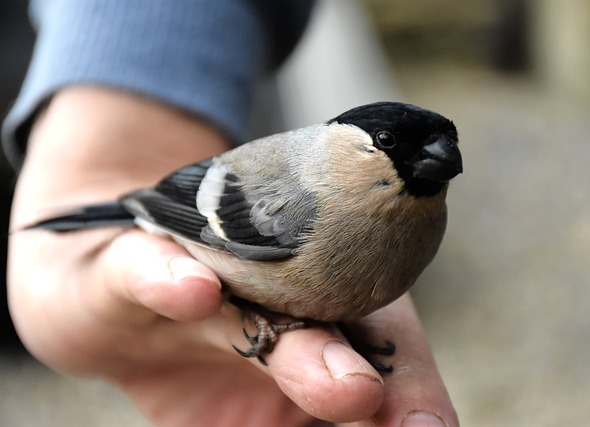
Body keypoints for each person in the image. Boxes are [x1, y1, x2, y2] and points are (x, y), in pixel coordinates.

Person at [2, 1, 458, 426]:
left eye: (443, 145)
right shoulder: (297, 208)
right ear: (340, 145)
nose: (439, 157)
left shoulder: (426, 223)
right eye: (390, 145)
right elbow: (193, 208)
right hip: (190, 203)